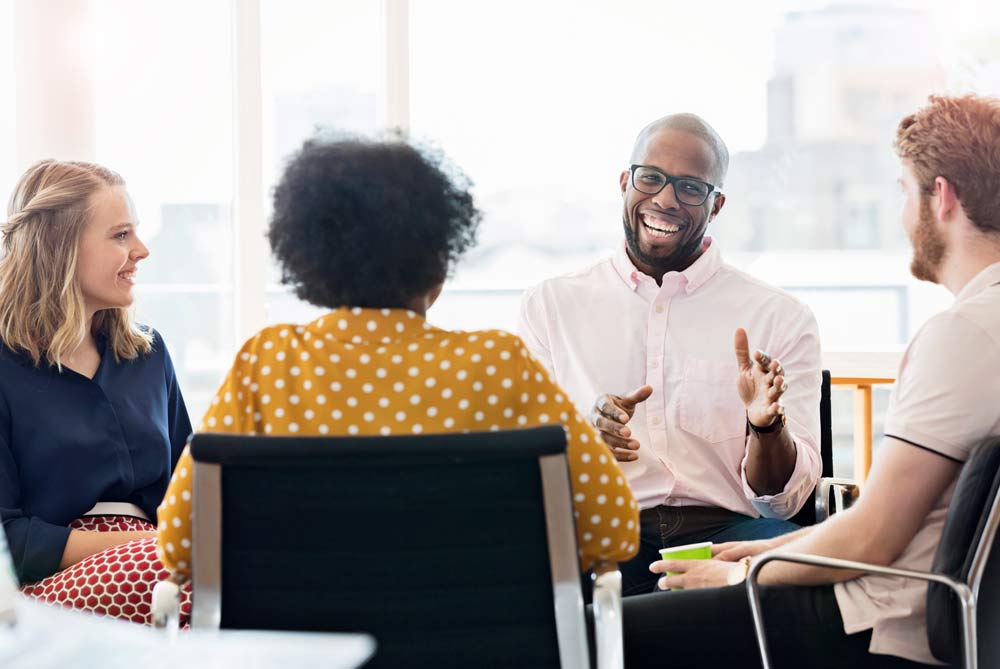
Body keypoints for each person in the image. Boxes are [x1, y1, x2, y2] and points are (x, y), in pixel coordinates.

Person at [620, 94, 1000, 668]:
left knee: (610, 635)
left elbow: (872, 537)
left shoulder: (963, 335)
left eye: (903, 191)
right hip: (918, 606)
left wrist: (741, 572)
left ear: (940, 198)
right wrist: (766, 547)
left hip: (878, 619)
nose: (901, 216)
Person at [156, 135, 639, 578]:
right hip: (476, 644)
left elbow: (180, 542)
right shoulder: (497, 364)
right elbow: (614, 528)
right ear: (438, 258)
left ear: (312, 258)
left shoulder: (267, 364)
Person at [518, 113, 822, 595]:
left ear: (716, 204)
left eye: (689, 187)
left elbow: (785, 504)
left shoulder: (780, 316)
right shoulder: (551, 306)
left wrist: (766, 426)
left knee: (795, 575)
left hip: (727, 534)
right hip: (603, 531)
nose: (664, 199)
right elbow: (528, 465)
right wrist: (584, 439)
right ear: (625, 182)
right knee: (525, 579)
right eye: (652, 178)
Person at [0, 160, 192, 623]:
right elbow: (9, 538)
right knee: (180, 579)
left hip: (156, 563)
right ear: (60, 246)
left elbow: (189, 489)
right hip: (47, 583)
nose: (142, 250)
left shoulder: (148, 353)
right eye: (121, 235)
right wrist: (149, 545)